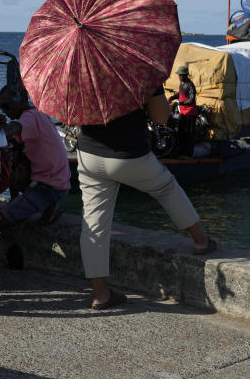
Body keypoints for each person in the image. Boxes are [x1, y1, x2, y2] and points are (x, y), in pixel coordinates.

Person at [77, 85, 216, 309]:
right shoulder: (138, 68)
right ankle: (201, 240)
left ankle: (100, 293)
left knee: (94, 223)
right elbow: (161, 117)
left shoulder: (82, 69)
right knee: (166, 188)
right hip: (128, 154)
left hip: (88, 153)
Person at [0, 84, 71, 227]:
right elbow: (14, 137)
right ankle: (41, 211)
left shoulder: (29, 118)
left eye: (7, 106)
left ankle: (18, 209)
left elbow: (15, 128)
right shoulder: (39, 115)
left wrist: (0, 128)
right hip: (60, 183)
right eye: (1, 107)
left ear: (22, 102)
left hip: (48, 187)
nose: (5, 110)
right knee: (15, 150)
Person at [168, 65, 198, 156]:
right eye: (179, 75)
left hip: (190, 113)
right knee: (181, 132)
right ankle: (181, 151)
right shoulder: (182, 84)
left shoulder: (190, 85)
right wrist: (172, 97)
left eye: (181, 75)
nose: (179, 77)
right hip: (183, 112)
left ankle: (188, 154)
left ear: (185, 75)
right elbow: (180, 94)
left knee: (189, 134)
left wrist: (179, 103)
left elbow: (191, 99)